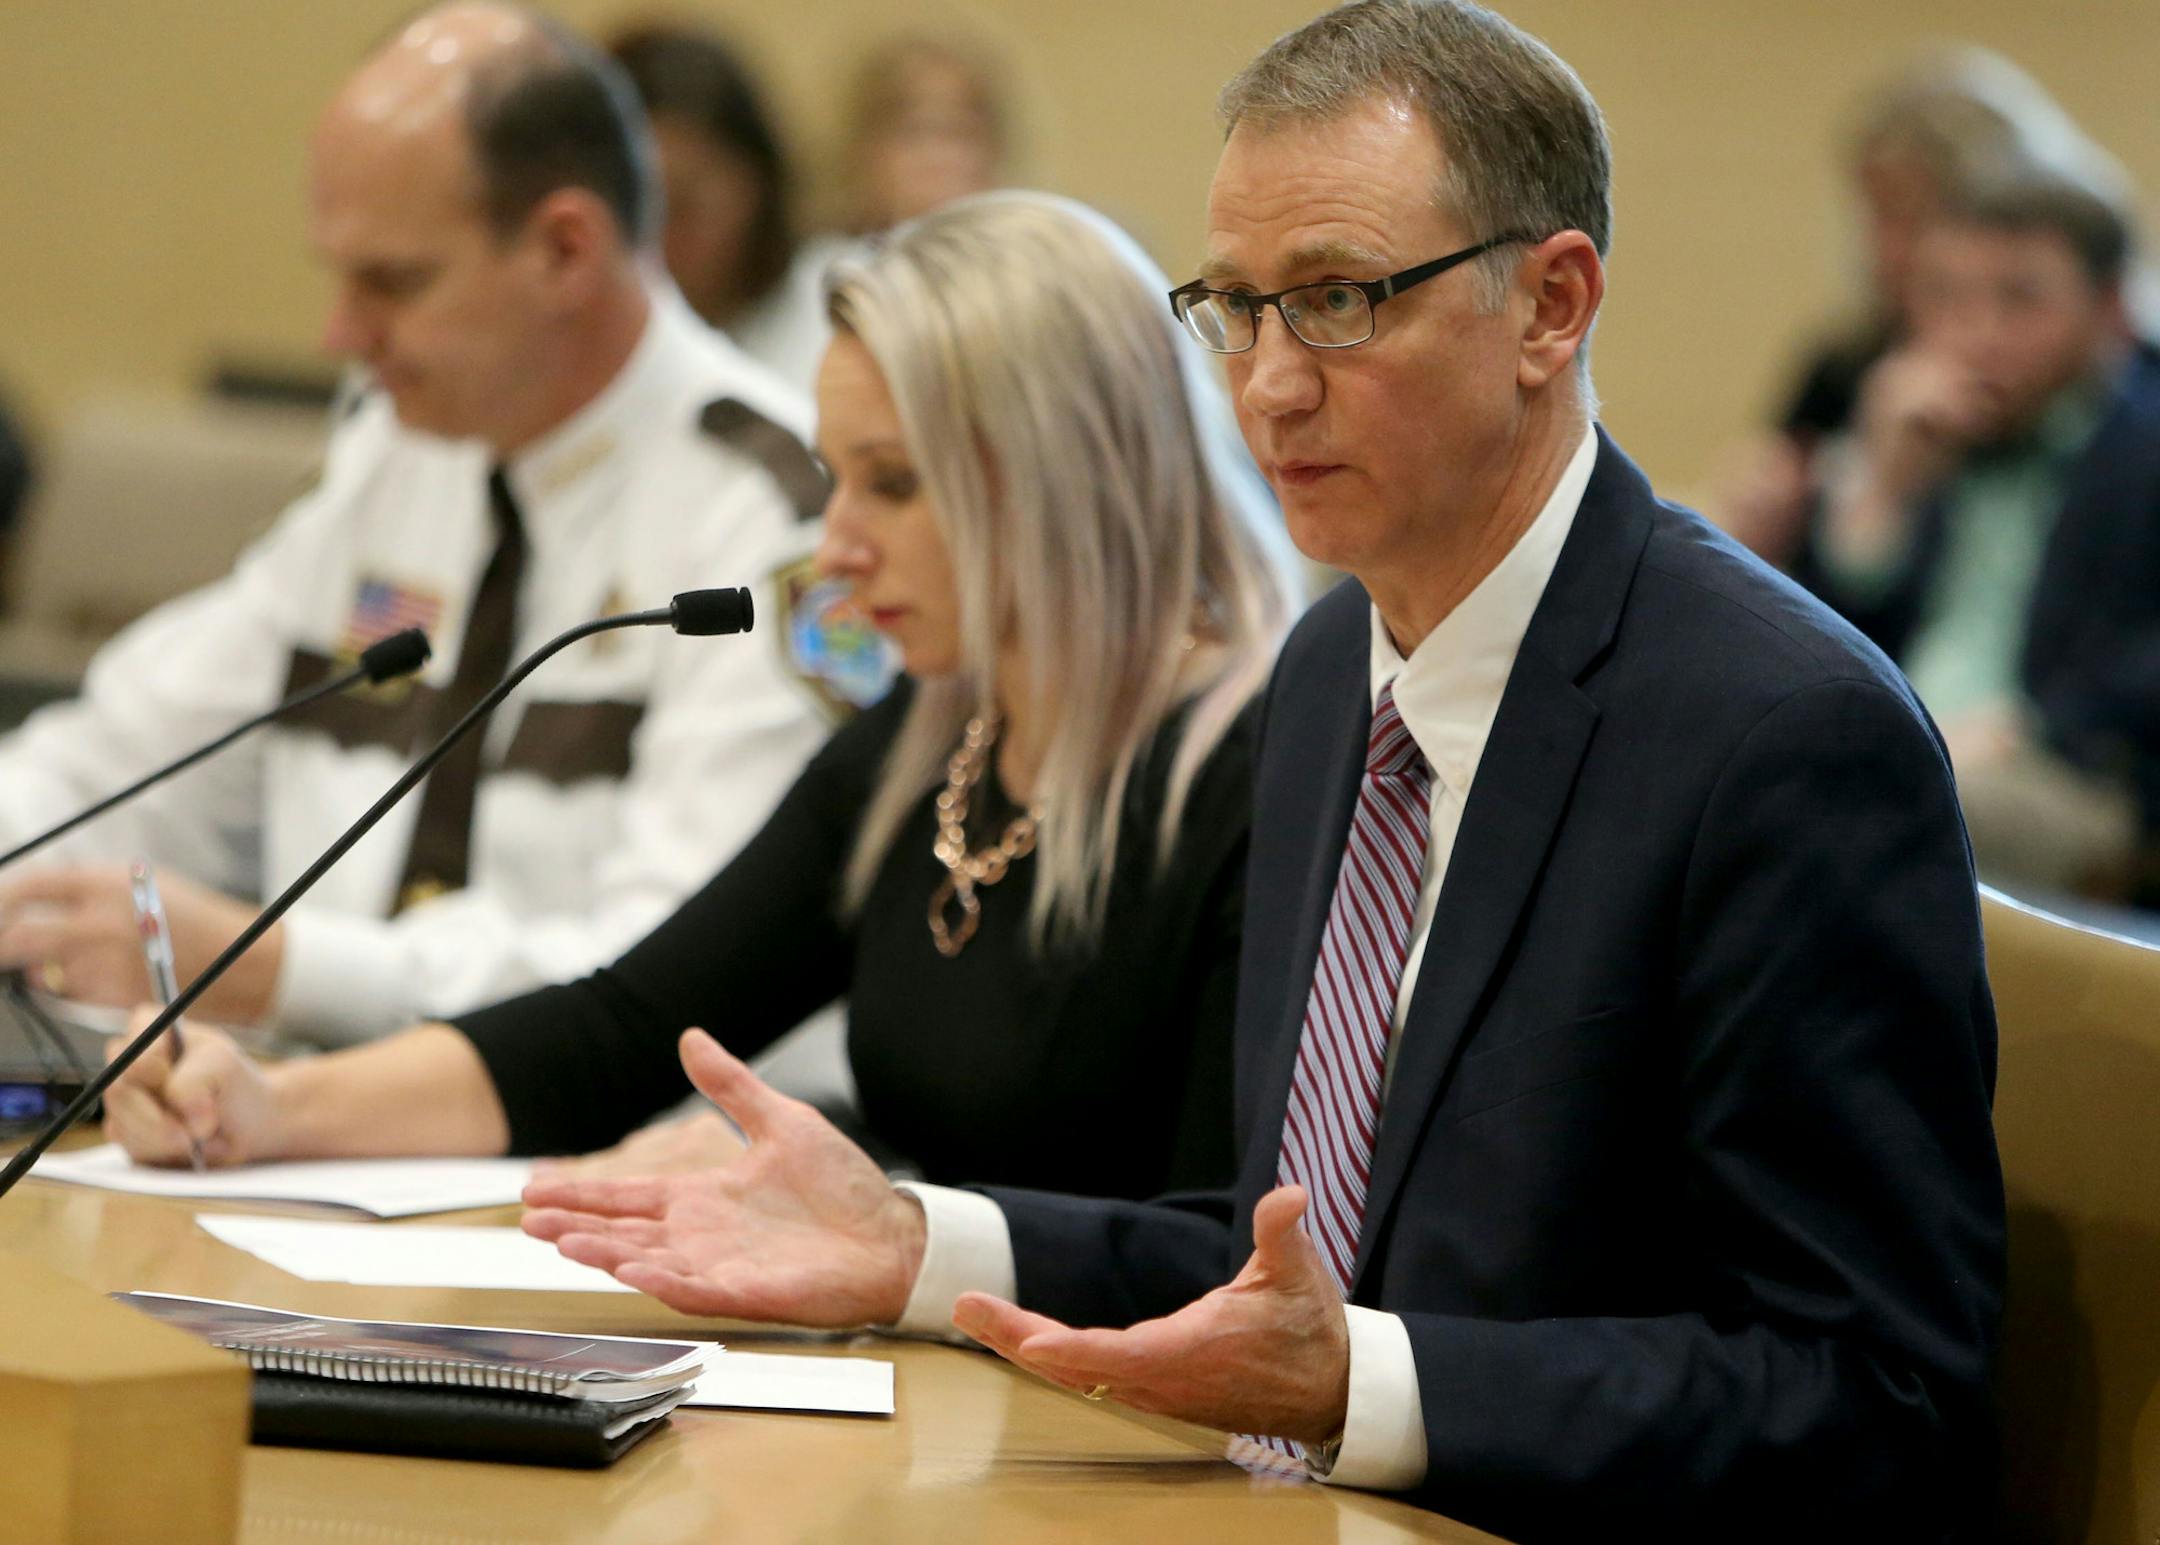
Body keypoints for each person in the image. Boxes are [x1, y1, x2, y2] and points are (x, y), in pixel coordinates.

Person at [513, 3, 2006, 1536]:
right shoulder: (1328, 671)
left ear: (1552, 307)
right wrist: (915, 1243)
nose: (1269, 385)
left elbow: (1875, 1399)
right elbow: (1279, 1272)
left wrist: (1358, 1384)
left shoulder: (1783, 736)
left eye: (1341, 300)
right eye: (1236, 307)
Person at [104, 192, 1288, 1203]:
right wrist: (268, 1104)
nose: (835, 549)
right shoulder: (931, 753)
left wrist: (879, 1219)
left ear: (1059, 477)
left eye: (892, 484)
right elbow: (620, 1030)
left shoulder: (1264, 771)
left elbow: (1210, 1250)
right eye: (836, 479)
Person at [0, 5, 830, 1046]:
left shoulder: (778, 520)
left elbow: (678, 972)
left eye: (393, 281)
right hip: (309, 1152)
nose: (341, 334)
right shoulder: (402, 454)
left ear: (566, 250)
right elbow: (122, 767)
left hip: (608, 1172)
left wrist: (276, 968)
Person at [1790, 163, 2160, 899]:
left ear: (2112, 306)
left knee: (1886, 809)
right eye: (1946, 297)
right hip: (1907, 746)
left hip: (2074, 772)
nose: (1978, 333)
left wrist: (2031, 727)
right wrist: (1882, 492)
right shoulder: (1913, 426)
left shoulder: (2143, 445)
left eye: (2020, 298)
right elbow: (1802, 649)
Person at [1713, 47, 2089, 567]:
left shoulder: (2097, 394)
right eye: (1875, 217)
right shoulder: (1844, 367)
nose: (1884, 253)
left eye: (1912, 219)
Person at [607, 23, 843, 396]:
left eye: (685, 204)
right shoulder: (575, 336)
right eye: (637, 205)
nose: (660, 232)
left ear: (758, 184)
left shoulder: (847, 310)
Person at [838, 34, 1008, 237]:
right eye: (913, 133)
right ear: (866, 152)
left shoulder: (1021, 250)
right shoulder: (836, 260)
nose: (936, 158)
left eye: (958, 132)